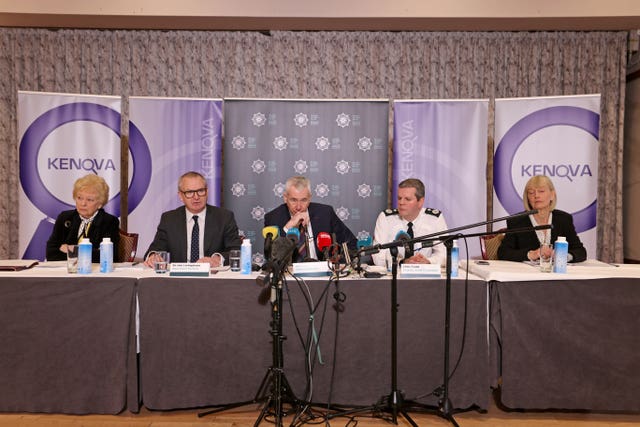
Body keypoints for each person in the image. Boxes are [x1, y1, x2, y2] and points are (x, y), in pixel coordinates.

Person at [144, 171, 242, 268]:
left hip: (212, 275)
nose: (196, 197)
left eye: (200, 191)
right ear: (181, 196)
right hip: (179, 276)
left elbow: (236, 250)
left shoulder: (224, 217)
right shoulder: (169, 219)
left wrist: (217, 259)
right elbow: (156, 249)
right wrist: (153, 257)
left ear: (207, 192)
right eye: (189, 192)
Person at [264, 175, 357, 261]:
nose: (298, 207)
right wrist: (288, 227)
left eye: (303, 200)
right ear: (285, 198)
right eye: (293, 200)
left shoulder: (325, 213)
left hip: (323, 271)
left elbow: (352, 244)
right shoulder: (273, 218)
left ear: (309, 198)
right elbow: (272, 259)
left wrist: (334, 262)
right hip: (290, 272)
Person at [497, 175, 587, 263]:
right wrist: (531, 254)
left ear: (552, 195)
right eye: (531, 192)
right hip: (527, 272)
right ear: (527, 198)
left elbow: (580, 251)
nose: (536, 195)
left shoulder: (564, 219)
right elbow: (503, 253)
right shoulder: (517, 221)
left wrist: (563, 256)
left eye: (541, 191)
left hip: (558, 271)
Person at [371, 178, 448, 267]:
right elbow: (378, 256)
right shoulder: (386, 218)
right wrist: (402, 262)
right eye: (399, 198)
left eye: (407, 199)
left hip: (424, 272)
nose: (401, 202)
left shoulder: (434, 219)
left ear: (420, 202)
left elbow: (446, 252)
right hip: (396, 272)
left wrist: (428, 261)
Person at [46, 174, 120, 262]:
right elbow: (51, 253)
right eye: (79, 198)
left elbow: (108, 256)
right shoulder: (65, 218)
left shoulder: (109, 222)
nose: (83, 203)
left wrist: (74, 250)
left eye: (89, 200)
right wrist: (88, 253)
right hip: (67, 269)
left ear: (100, 204)